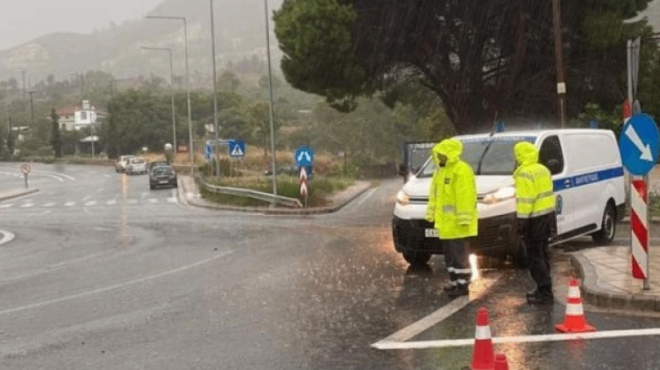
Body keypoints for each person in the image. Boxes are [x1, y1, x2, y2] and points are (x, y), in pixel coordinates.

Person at [425, 138, 478, 298]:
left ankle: (463, 285)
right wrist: (431, 213)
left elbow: (465, 197)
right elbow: (435, 196)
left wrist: (464, 219)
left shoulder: (461, 170)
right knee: (450, 256)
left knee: (459, 256)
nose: (439, 157)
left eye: (442, 154)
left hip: (458, 224)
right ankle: (455, 282)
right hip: (446, 224)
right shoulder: (440, 172)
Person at [513, 142, 557, 305]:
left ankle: (544, 290)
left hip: (533, 219)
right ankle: (544, 288)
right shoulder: (542, 169)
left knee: (534, 256)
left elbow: (526, 200)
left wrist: (521, 221)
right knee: (542, 253)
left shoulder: (524, 173)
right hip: (546, 216)